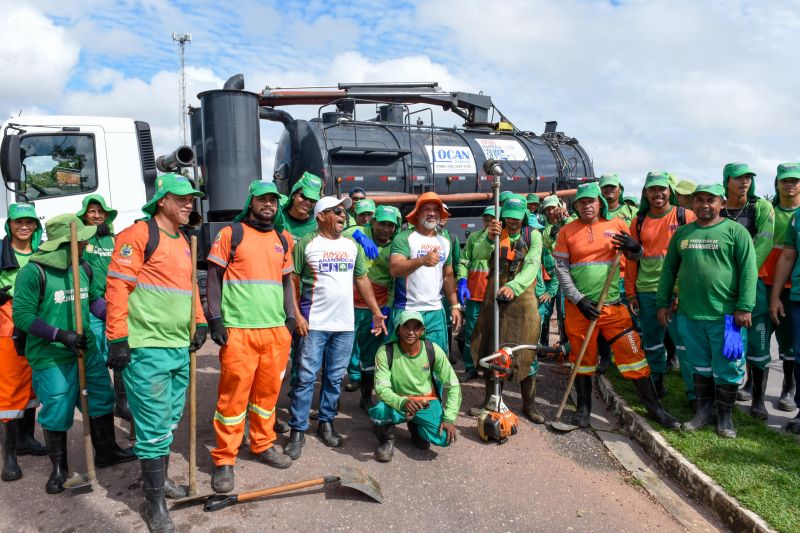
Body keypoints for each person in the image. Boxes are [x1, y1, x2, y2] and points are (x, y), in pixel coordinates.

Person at [105, 174, 207, 532]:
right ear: (162, 200)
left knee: (168, 421)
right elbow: (118, 286)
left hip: (179, 347)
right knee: (151, 427)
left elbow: (190, 287)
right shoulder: (138, 235)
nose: (189, 204)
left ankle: (160, 482)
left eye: (191, 199)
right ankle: (154, 505)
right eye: (181, 198)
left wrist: (199, 320)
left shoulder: (183, 241)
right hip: (147, 347)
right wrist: (118, 336)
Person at [13, 214, 135, 494]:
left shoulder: (83, 266)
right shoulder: (33, 272)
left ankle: (106, 452)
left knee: (101, 399)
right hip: (51, 354)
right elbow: (22, 315)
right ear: (65, 243)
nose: (86, 244)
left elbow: (93, 301)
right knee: (57, 410)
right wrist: (60, 335)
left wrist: (114, 315)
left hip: (86, 349)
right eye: (81, 240)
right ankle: (59, 470)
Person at [554, 183, 679, 429]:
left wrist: (636, 248)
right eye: (582, 202)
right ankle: (583, 410)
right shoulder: (567, 232)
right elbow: (561, 270)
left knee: (633, 356)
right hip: (579, 310)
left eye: (591, 201)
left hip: (612, 307)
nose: (587, 206)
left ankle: (655, 409)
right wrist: (579, 299)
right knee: (582, 360)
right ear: (576, 205)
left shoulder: (617, 225)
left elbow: (635, 255)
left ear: (600, 203)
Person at [205, 181, 296, 493]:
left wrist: (290, 319)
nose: (268, 204)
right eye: (262, 199)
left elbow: (286, 282)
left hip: (275, 332)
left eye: (273, 200)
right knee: (233, 399)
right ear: (251, 202)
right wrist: (215, 319)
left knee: (267, 397)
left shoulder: (283, 239)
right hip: (240, 330)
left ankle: (262, 444)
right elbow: (213, 278)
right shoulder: (231, 234)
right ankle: (225, 458)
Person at [284, 196, 386, 461]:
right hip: (313, 324)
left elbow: (361, 279)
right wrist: (296, 315)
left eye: (344, 212)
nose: (343, 215)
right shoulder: (307, 243)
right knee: (306, 377)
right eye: (337, 211)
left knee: (334, 377)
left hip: (344, 325)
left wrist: (376, 312)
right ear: (321, 216)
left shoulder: (351, 245)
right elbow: (291, 280)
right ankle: (297, 430)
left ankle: (326, 422)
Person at [657, 184, 757, 439]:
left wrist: (744, 307)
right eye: (699, 200)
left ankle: (725, 417)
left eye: (710, 200)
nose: (704, 205)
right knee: (699, 365)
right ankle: (703, 412)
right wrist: (662, 303)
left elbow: (749, 271)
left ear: (722, 203)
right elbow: (668, 270)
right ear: (692, 203)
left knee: (728, 366)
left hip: (727, 318)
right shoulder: (683, 234)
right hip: (690, 315)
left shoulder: (736, 232)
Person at [468, 194, 546, 423]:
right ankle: (490, 400)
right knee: (492, 348)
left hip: (523, 299)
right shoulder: (493, 232)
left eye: (517, 217)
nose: (513, 221)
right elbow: (478, 255)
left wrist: (514, 286)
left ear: (524, 216)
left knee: (527, 351)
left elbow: (532, 265)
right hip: (494, 298)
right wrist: (488, 238)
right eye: (509, 217)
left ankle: (529, 404)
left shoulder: (534, 235)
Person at [625, 172, 696, 403]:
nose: (658, 194)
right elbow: (631, 259)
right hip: (647, 290)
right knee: (652, 342)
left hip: (677, 291)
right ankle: (656, 384)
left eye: (662, 189)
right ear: (646, 193)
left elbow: (693, 258)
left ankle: (695, 394)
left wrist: (683, 290)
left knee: (683, 343)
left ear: (670, 191)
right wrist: (631, 293)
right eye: (653, 189)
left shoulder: (686, 216)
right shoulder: (638, 221)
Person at [719, 163, 775, 416]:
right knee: (729, 340)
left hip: (754, 285)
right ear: (726, 181)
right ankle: (726, 397)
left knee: (759, 343)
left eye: (748, 178)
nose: (745, 182)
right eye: (738, 178)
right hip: (724, 286)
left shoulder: (760, 207)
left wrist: (745, 274)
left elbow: (764, 244)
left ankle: (759, 401)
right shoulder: (719, 208)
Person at [370, 311, 460, 462]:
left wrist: (449, 418)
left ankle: (416, 427)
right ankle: (386, 439)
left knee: (444, 438)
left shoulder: (433, 350)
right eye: (406, 327)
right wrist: (403, 402)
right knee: (379, 411)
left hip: (425, 401)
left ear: (422, 331)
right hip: (398, 401)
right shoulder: (385, 352)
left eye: (416, 327)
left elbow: (453, 385)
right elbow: (381, 388)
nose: (411, 332)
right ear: (398, 329)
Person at [0, 203, 45, 482]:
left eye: (30, 222)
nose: (24, 226)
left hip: (37, 326)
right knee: (8, 393)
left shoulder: (42, 253)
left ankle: (26, 440)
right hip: (8, 329)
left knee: (31, 387)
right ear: (10, 225)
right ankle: (9, 457)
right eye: (19, 222)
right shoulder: (0, 251)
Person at [77, 194, 131, 421]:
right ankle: (102, 403)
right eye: (92, 211)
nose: (97, 215)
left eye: (100, 211)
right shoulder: (81, 239)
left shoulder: (115, 240)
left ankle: (122, 402)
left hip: (114, 304)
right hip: (90, 305)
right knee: (97, 357)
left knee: (119, 351)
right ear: (84, 215)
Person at [389, 192, 463, 355]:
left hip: (436, 311)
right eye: (427, 209)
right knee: (406, 360)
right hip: (408, 309)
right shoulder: (404, 238)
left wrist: (454, 305)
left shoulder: (445, 241)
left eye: (436, 210)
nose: (432, 213)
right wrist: (422, 260)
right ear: (417, 213)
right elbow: (395, 268)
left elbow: (448, 275)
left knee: (437, 359)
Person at [342, 205, 399, 410]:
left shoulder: (394, 247)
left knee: (369, 356)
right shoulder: (360, 232)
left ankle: (366, 398)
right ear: (373, 222)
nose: (386, 229)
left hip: (375, 310)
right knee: (341, 352)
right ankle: (331, 400)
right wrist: (359, 235)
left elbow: (393, 282)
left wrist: (387, 307)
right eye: (382, 223)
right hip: (349, 306)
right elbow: (342, 231)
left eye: (390, 225)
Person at [767, 163, 800, 427]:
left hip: (793, 291)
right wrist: (774, 294)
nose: (790, 185)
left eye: (795, 181)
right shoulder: (770, 213)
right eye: (785, 180)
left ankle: (789, 389)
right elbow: (786, 255)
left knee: (791, 346)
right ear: (777, 183)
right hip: (773, 285)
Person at [456, 206, 494, 381]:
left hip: (494, 296)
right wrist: (462, 280)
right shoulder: (474, 238)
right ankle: (470, 368)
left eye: (492, 219)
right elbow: (464, 261)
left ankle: (490, 368)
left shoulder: (504, 239)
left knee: (493, 333)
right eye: (486, 219)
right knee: (471, 333)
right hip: (475, 294)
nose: (489, 222)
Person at [282, 172, 323, 243]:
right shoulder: (279, 219)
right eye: (304, 196)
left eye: (313, 200)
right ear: (293, 195)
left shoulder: (317, 226)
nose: (308, 202)